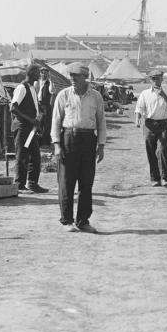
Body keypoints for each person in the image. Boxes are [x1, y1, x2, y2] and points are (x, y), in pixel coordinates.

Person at [49, 63, 107, 232]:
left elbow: (101, 121)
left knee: (86, 183)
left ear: (85, 77)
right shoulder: (64, 95)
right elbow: (56, 121)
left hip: (89, 140)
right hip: (68, 139)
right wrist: (57, 145)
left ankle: (83, 221)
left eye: (76, 76)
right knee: (66, 182)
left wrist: (101, 145)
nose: (72, 79)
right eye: (71, 76)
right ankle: (67, 220)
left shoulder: (96, 96)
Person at [9, 65, 49, 193]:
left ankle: (32, 183)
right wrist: (31, 120)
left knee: (35, 156)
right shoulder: (22, 88)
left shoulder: (32, 88)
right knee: (22, 156)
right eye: (37, 72)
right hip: (22, 128)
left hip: (30, 129)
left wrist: (36, 123)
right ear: (31, 73)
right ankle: (19, 184)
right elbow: (13, 108)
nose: (39, 75)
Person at [134, 68, 167, 187]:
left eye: (158, 78)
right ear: (150, 80)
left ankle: (164, 177)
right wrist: (137, 119)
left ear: (162, 79)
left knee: (162, 150)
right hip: (149, 125)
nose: (156, 81)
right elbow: (139, 108)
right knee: (151, 151)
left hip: (163, 125)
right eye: (153, 78)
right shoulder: (145, 94)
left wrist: (163, 95)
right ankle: (154, 178)